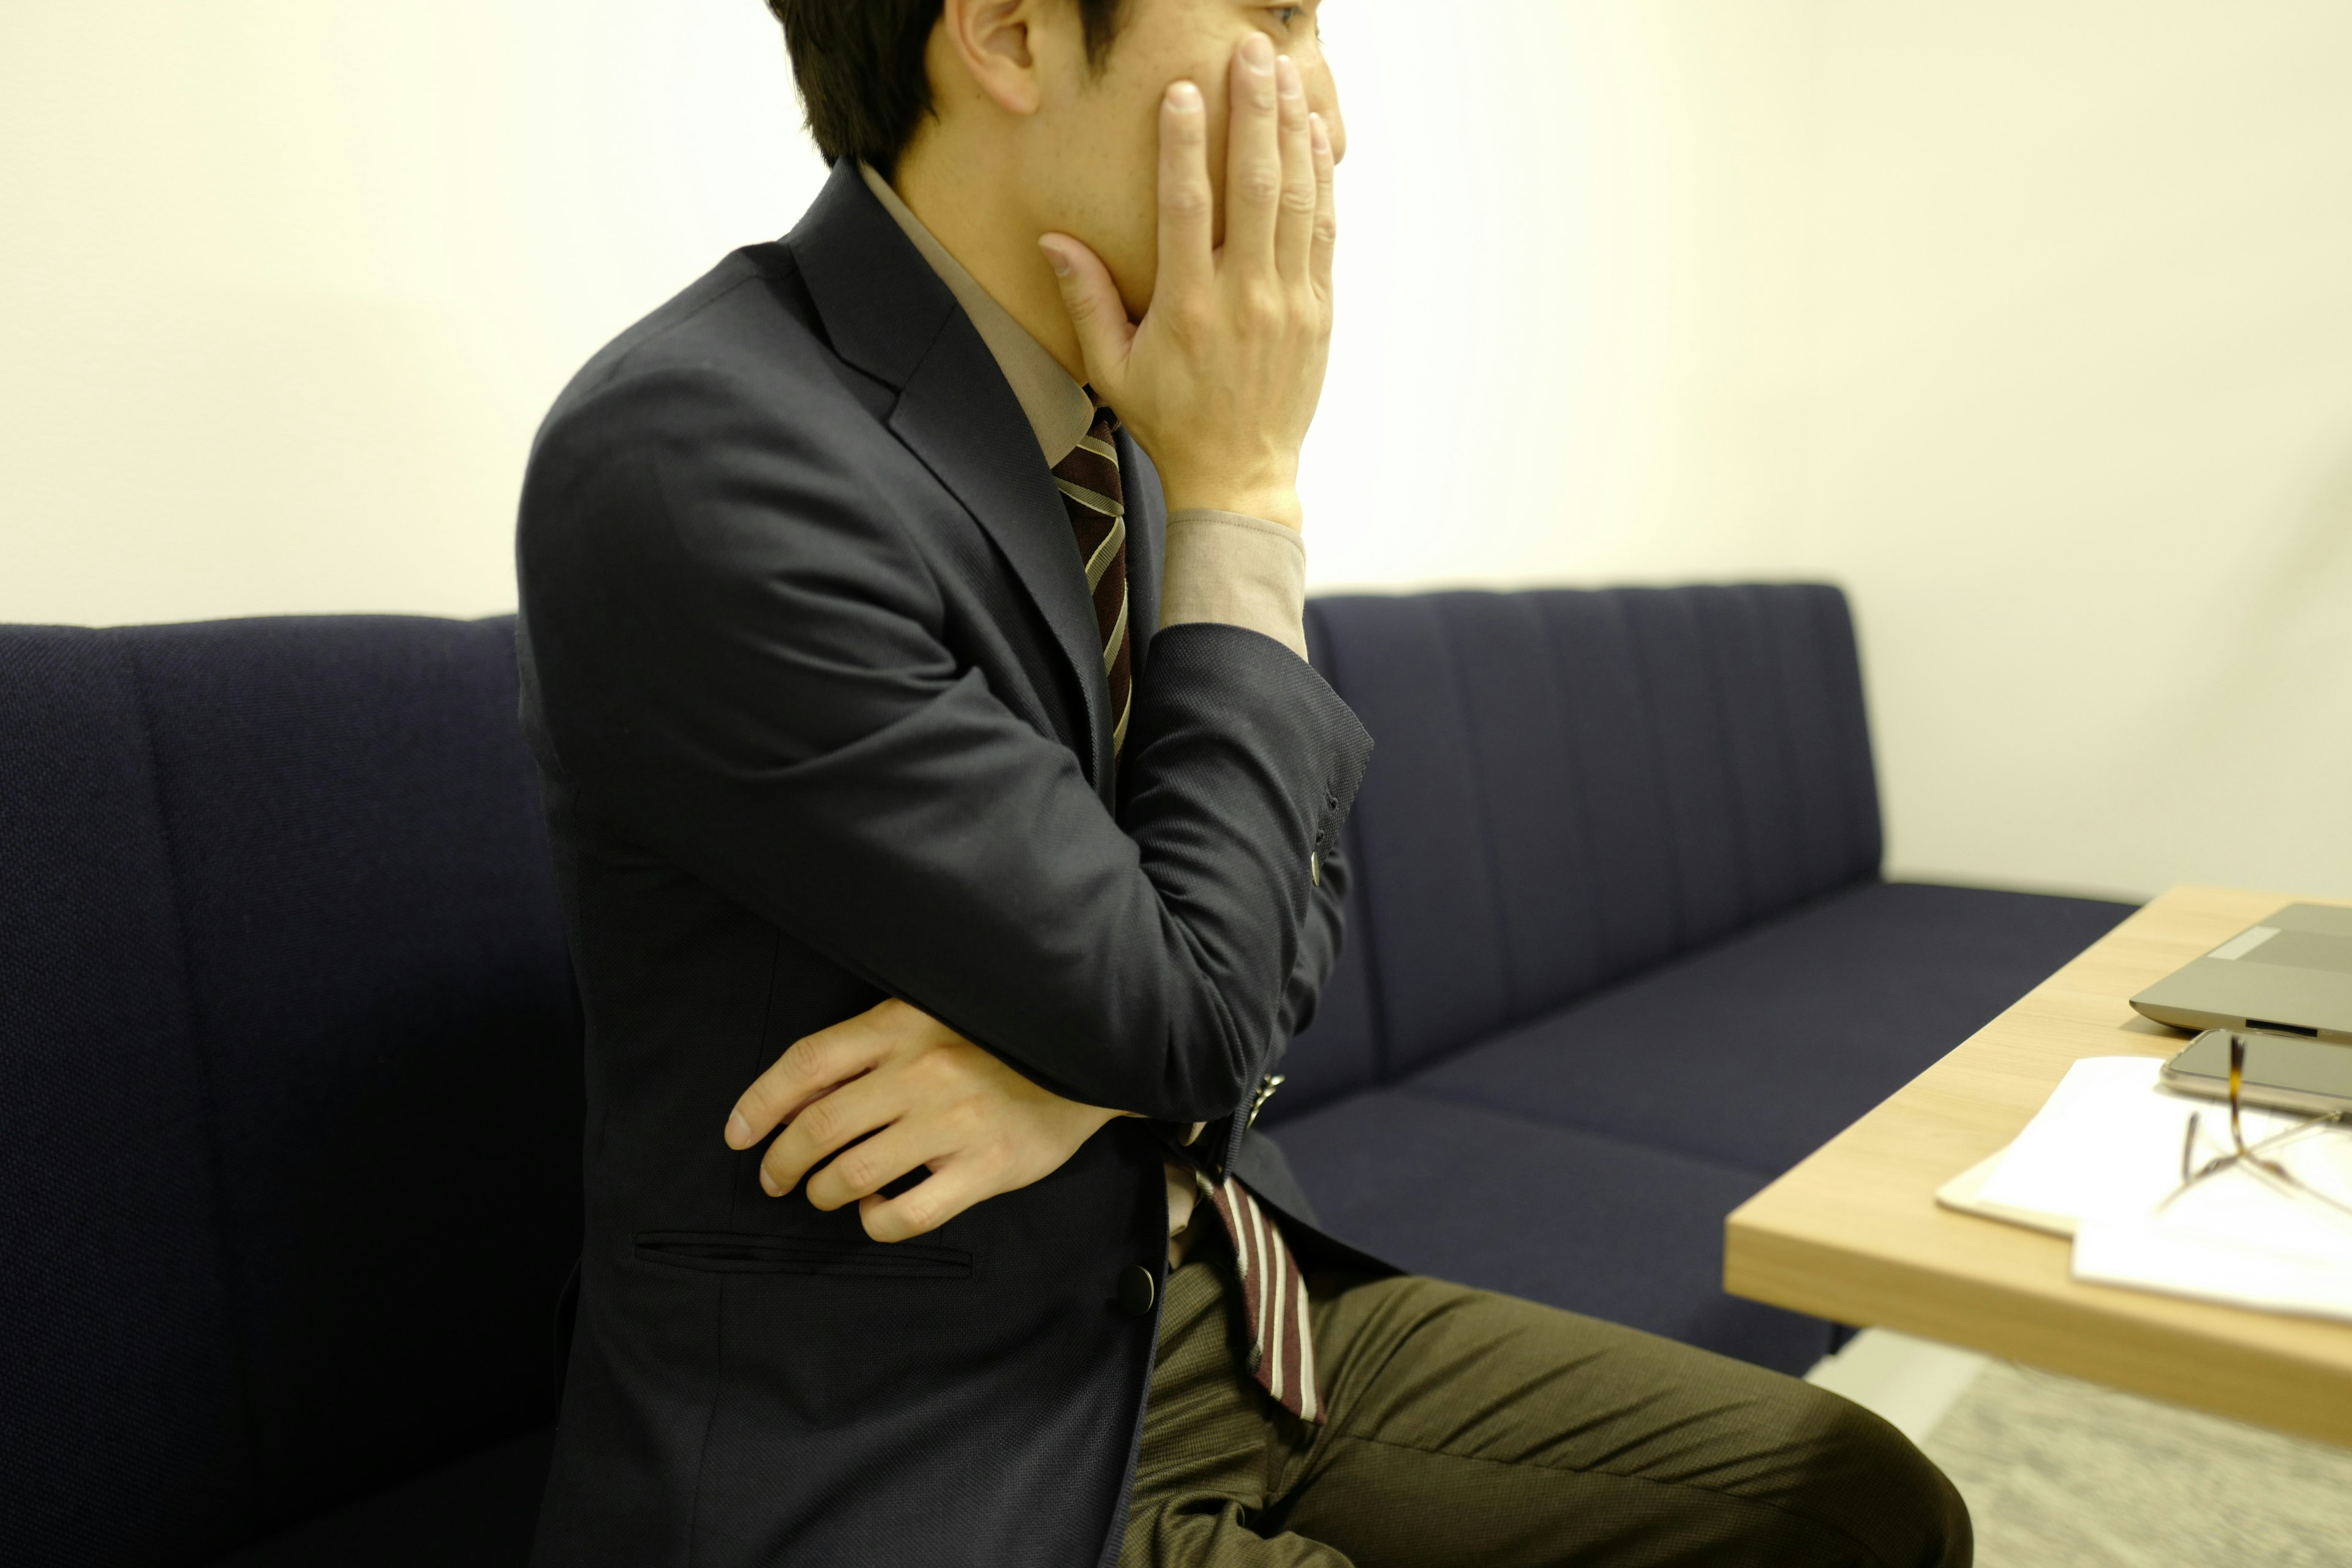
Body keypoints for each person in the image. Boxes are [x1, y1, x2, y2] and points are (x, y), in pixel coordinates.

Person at [514, 1, 1972, 1563]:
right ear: (1007, 34)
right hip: (911, 1430)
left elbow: (1286, 907)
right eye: (1273, 12)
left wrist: (1083, 1064)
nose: (1326, 111)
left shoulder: (1125, 407)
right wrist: (1246, 498)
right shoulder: (702, 451)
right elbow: (1208, 993)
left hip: (1209, 1300)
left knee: (1861, 1506)